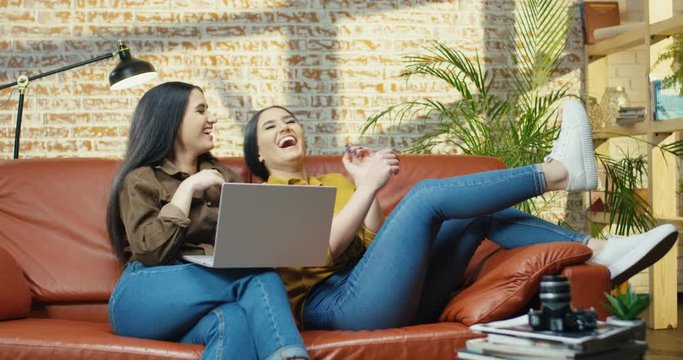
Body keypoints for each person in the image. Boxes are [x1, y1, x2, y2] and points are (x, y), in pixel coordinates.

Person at [242, 99, 678, 331]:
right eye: (271, 126)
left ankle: (599, 250)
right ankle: (559, 172)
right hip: (333, 308)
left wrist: (359, 183)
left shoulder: (334, 185)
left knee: (472, 216)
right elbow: (325, 250)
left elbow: (373, 245)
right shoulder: (264, 198)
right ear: (257, 153)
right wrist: (372, 183)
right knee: (427, 197)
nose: (286, 128)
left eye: (291, 121)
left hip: (375, 292)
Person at [106, 82, 309, 360]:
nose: (211, 118)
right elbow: (152, 253)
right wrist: (187, 188)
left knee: (234, 321)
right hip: (142, 295)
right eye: (201, 110)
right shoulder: (141, 179)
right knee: (258, 275)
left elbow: (248, 248)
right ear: (172, 120)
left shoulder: (225, 177)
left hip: (205, 306)